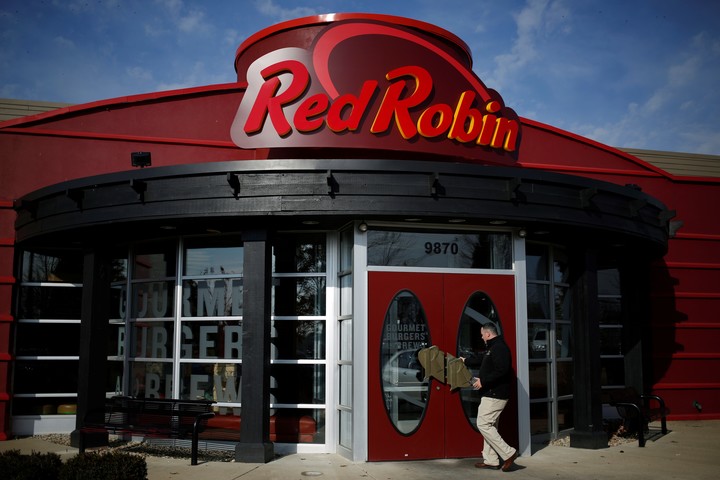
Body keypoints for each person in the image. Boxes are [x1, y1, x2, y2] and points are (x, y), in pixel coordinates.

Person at [463, 322, 518, 471]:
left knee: (483, 424)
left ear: (488, 334)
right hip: (491, 393)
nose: (481, 337)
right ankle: (491, 460)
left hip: (495, 394)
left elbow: (502, 370)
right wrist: (465, 361)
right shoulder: (493, 347)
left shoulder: (499, 348)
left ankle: (509, 453)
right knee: (490, 425)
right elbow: (483, 360)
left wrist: (483, 381)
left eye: (482, 335)